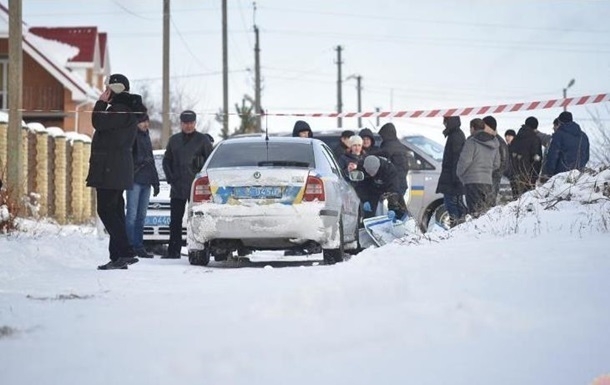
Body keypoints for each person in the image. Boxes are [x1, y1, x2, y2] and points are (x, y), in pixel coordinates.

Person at [87, 73, 146, 270]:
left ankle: (126, 252)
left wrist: (100, 103)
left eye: (108, 89)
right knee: (116, 212)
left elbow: (98, 122)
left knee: (105, 210)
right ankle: (118, 257)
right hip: (116, 168)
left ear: (116, 89)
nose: (105, 92)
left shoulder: (119, 110)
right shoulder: (125, 110)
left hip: (110, 169)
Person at [162, 110, 214, 259]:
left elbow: (210, 162)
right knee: (175, 220)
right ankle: (173, 251)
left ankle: (201, 249)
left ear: (195, 123)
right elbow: (167, 161)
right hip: (178, 186)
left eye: (191, 123)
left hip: (197, 187)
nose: (188, 126)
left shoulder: (203, 140)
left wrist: (204, 180)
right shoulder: (174, 140)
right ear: (181, 124)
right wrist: (170, 178)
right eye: (186, 123)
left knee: (199, 219)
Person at [125, 114, 160, 259]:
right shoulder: (132, 136)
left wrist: (156, 182)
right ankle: (128, 246)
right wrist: (140, 161)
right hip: (134, 181)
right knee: (131, 215)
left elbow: (151, 161)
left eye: (146, 121)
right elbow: (128, 157)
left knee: (141, 216)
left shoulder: (146, 137)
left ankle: (139, 246)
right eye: (142, 122)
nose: (145, 124)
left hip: (146, 182)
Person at [456, 118, 500, 218]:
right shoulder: (494, 142)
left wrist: (459, 173)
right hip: (487, 182)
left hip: (472, 181)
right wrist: (486, 170)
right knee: (485, 214)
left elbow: (465, 161)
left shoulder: (471, 142)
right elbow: (497, 163)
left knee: (474, 213)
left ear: (472, 128)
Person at [436, 116, 467, 227]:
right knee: (454, 204)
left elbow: (456, 160)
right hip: (452, 178)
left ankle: (457, 228)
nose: (443, 123)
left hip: (452, 179)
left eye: (445, 121)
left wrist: (456, 178)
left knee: (452, 205)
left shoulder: (455, 136)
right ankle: (459, 227)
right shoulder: (455, 135)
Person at [543, 111, 590, 178]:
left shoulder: (558, 135)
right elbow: (586, 156)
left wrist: (550, 173)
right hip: (578, 175)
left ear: (560, 122)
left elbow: (553, 156)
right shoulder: (583, 136)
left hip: (561, 175)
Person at [361, 155, 408, 220]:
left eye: (373, 172)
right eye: (369, 173)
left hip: (388, 190)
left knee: (398, 208)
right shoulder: (362, 169)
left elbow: (393, 190)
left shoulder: (388, 169)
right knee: (369, 214)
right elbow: (361, 185)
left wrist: (393, 208)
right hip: (372, 192)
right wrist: (364, 199)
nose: (372, 175)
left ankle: (400, 217)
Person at [508, 117, 542, 198]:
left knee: (516, 201)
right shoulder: (535, 139)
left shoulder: (515, 139)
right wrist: (535, 176)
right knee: (527, 201)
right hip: (528, 176)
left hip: (514, 175)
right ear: (535, 127)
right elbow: (537, 159)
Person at [378, 122, 411, 196]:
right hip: (401, 183)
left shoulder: (388, 147)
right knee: (398, 205)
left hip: (393, 185)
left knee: (391, 206)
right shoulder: (400, 146)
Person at [482, 115, 508, 204]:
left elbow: (503, 163)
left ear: (489, 126)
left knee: (487, 208)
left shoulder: (498, 142)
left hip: (492, 180)